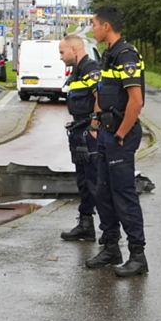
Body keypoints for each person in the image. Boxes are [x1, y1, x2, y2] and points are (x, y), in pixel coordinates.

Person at [85, 5, 148, 277]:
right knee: (103, 192)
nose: (91, 29)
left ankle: (138, 256)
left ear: (106, 27)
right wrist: (97, 125)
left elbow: (136, 102)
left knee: (123, 195)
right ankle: (111, 247)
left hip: (121, 135)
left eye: (94, 24)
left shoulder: (126, 56)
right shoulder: (108, 55)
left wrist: (121, 134)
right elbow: (105, 95)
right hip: (107, 134)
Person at [58, 34, 101, 242]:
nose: (60, 57)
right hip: (79, 132)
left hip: (88, 133)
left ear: (74, 49)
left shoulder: (90, 69)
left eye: (62, 52)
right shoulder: (77, 70)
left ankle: (109, 233)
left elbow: (100, 96)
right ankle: (86, 225)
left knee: (94, 182)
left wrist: (93, 126)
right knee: (84, 182)